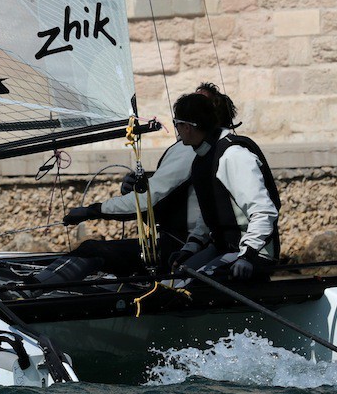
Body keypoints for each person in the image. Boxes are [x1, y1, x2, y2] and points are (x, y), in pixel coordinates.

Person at [32, 83, 240, 288]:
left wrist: (91, 210)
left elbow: (147, 201)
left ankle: (29, 292)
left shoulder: (191, 150)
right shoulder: (217, 145)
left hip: (181, 248)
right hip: (190, 244)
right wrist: (136, 187)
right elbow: (171, 196)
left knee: (91, 249)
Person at [167, 88, 282, 282]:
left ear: (188, 127)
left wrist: (248, 255)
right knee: (173, 280)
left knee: (191, 285)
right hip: (223, 247)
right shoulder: (203, 158)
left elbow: (264, 211)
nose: (176, 130)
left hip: (252, 251)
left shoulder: (233, 155)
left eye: (176, 124)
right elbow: (210, 213)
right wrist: (190, 248)